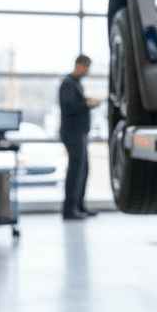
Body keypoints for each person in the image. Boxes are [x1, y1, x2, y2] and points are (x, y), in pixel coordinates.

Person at [59, 55, 100, 220]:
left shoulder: (76, 84)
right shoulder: (68, 84)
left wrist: (86, 102)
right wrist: (88, 104)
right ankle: (70, 209)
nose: (88, 71)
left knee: (83, 169)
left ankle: (79, 205)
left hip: (79, 133)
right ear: (79, 65)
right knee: (76, 171)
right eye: (87, 67)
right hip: (73, 133)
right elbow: (69, 107)